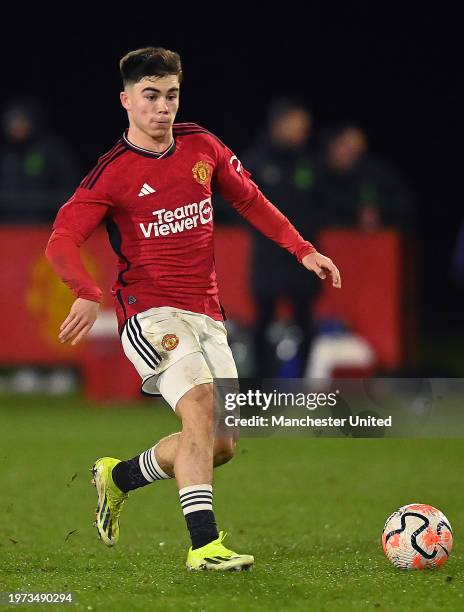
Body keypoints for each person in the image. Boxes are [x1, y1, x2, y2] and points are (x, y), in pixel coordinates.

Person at [45, 47, 341, 572]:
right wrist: (87, 291)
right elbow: (62, 240)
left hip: (206, 313)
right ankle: (204, 545)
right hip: (149, 313)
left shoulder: (201, 145)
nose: (163, 108)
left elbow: (249, 199)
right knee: (200, 405)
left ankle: (118, 478)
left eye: (172, 95)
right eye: (151, 96)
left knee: (219, 443)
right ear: (126, 100)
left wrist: (303, 249)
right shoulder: (111, 174)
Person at [241, 99, 322, 377]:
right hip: (268, 256)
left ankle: (301, 384)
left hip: (304, 257)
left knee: (305, 322)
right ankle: (261, 384)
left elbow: (327, 204)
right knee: (263, 320)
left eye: (305, 128)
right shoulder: (254, 162)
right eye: (296, 126)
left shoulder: (312, 164)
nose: (301, 133)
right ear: (278, 125)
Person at [315, 124, 412, 231]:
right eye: (344, 146)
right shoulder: (315, 171)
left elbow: (403, 204)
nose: (348, 153)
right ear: (331, 144)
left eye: (355, 150)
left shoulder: (376, 173)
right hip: (320, 240)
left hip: (367, 241)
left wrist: (379, 212)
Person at [0, 100, 78, 222]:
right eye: (12, 123)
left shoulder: (51, 150)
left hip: (43, 225)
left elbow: (69, 186)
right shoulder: (5, 154)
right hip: (9, 227)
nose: (17, 127)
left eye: (21, 121)